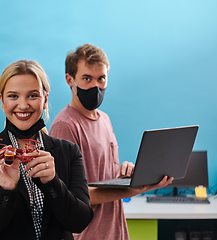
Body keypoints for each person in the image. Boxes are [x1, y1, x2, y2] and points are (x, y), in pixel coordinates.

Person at [49, 43, 174, 240]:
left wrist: (125, 172)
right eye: (87, 79)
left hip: (116, 233)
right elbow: (70, 197)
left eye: (101, 79)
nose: (95, 86)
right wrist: (133, 190)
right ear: (70, 80)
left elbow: (102, 175)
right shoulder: (65, 125)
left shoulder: (105, 119)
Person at [0, 60, 93, 240]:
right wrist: (6, 190)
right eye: (13, 96)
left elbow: (79, 222)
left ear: (45, 99)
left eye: (33, 96)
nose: (23, 105)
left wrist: (52, 182)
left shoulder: (69, 152)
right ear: (2, 100)